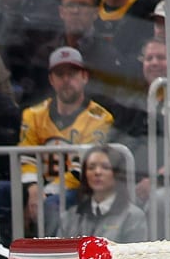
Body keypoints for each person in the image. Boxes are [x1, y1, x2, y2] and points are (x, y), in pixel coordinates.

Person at [19, 46, 116, 233]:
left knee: (52, 204)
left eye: (72, 74)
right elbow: (27, 158)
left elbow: (84, 167)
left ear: (84, 77)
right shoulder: (33, 115)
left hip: (79, 188)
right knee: (0, 194)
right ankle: (6, 251)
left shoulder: (100, 118)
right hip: (40, 186)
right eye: (60, 74)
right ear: (51, 80)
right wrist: (32, 188)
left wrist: (47, 192)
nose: (66, 80)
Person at [65, 143, 149, 241]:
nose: (97, 172)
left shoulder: (133, 217)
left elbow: (134, 255)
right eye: (91, 167)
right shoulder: (70, 216)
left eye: (105, 167)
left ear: (118, 174)